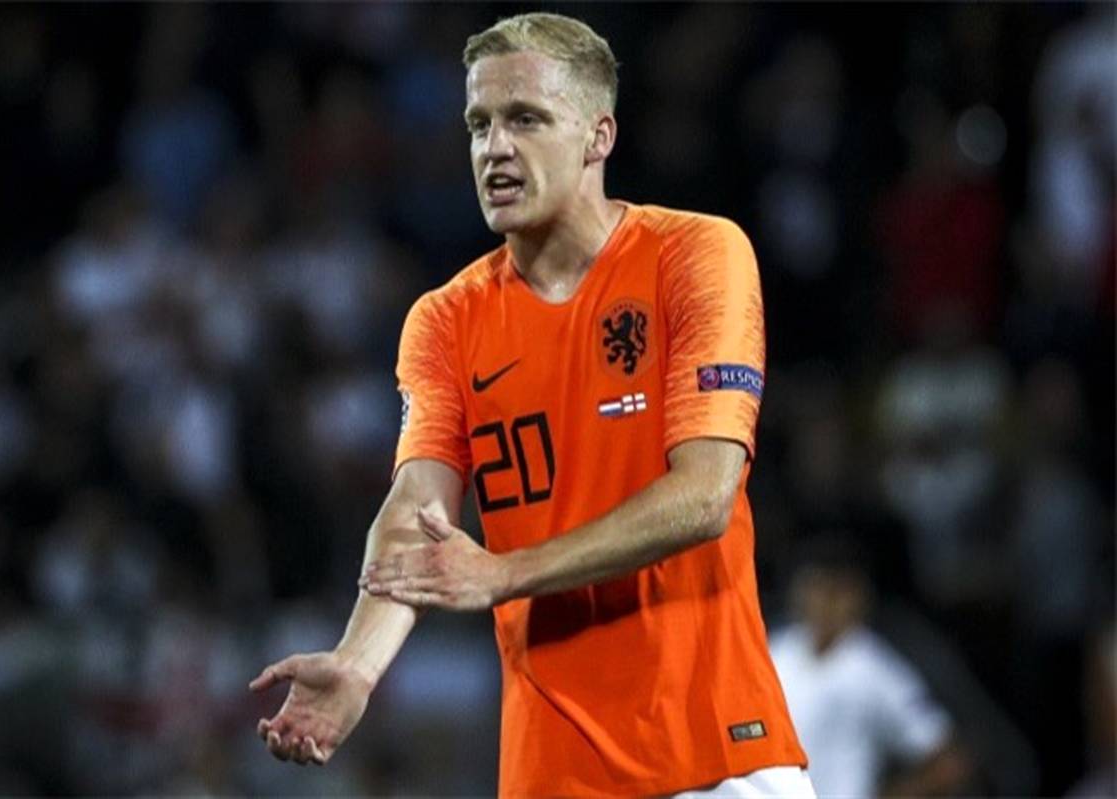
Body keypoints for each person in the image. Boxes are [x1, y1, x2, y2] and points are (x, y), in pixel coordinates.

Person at [250, 13, 812, 797]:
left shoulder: (694, 255)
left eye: (525, 119)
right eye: (478, 124)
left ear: (598, 136)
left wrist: (503, 572)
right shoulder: (446, 319)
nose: (494, 148)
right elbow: (417, 511)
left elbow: (705, 495)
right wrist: (358, 662)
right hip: (550, 771)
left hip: (713, 756)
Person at [770, 535, 972, 797]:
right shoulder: (777, 652)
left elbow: (947, 763)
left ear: (859, 596)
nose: (825, 602)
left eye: (837, 591)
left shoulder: (874, 668)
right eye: (817, 587)